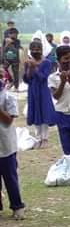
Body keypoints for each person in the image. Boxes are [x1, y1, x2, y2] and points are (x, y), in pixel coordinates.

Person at [0, 70, 25, 219]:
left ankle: (17, 206)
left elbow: (9, 120)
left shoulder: (8, 97)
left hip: (5, 145)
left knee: (10, 177)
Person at [23, 40, 56, 148]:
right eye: (33, 50)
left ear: (42, 50)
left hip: (43, 91)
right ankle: (38, 138)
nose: (35, 51)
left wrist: (35, 68)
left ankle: (45, 138)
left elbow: (43, 77)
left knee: (44, 112)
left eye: (38, 50)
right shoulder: (28, 62)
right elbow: (27, 79)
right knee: (35, 113)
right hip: (33, 91)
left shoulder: (47, 63)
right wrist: (29, 69)